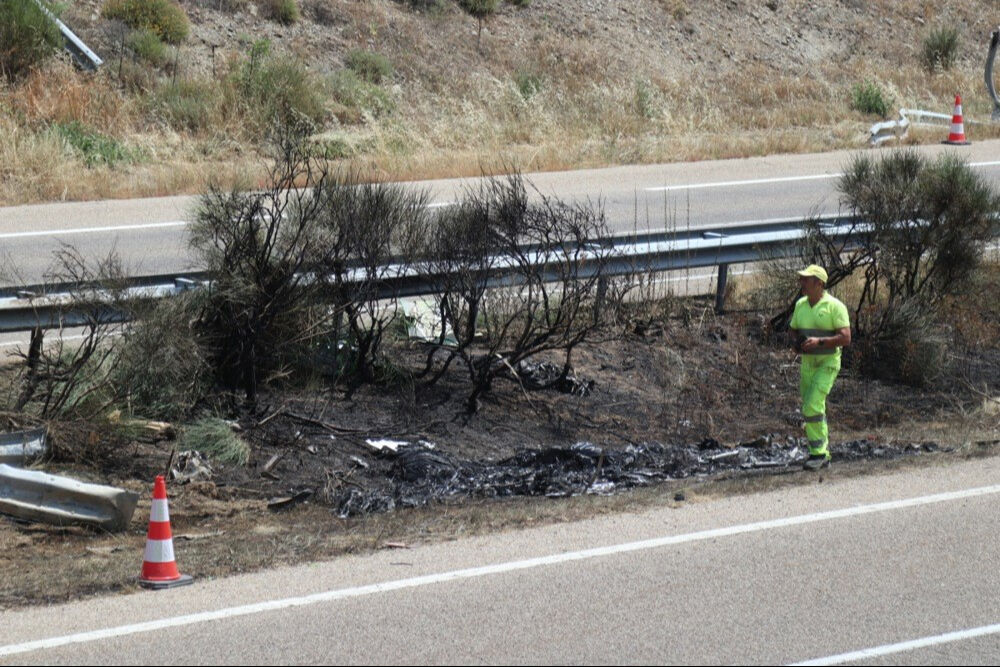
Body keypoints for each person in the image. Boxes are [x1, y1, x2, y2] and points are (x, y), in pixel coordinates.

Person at [789, 265, 851, 470]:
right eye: (802, 278)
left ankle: (819, 453)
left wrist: (820, 342)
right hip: (808, 364)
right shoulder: (800, 305)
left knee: (812, 405)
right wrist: (796, 344)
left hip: (827, 363)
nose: (802, 283)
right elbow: (793, 330)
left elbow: (846, 338)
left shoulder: (835, 307)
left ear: (819, 283)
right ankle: (819, 451)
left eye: (806, 279)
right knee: (812, 406)